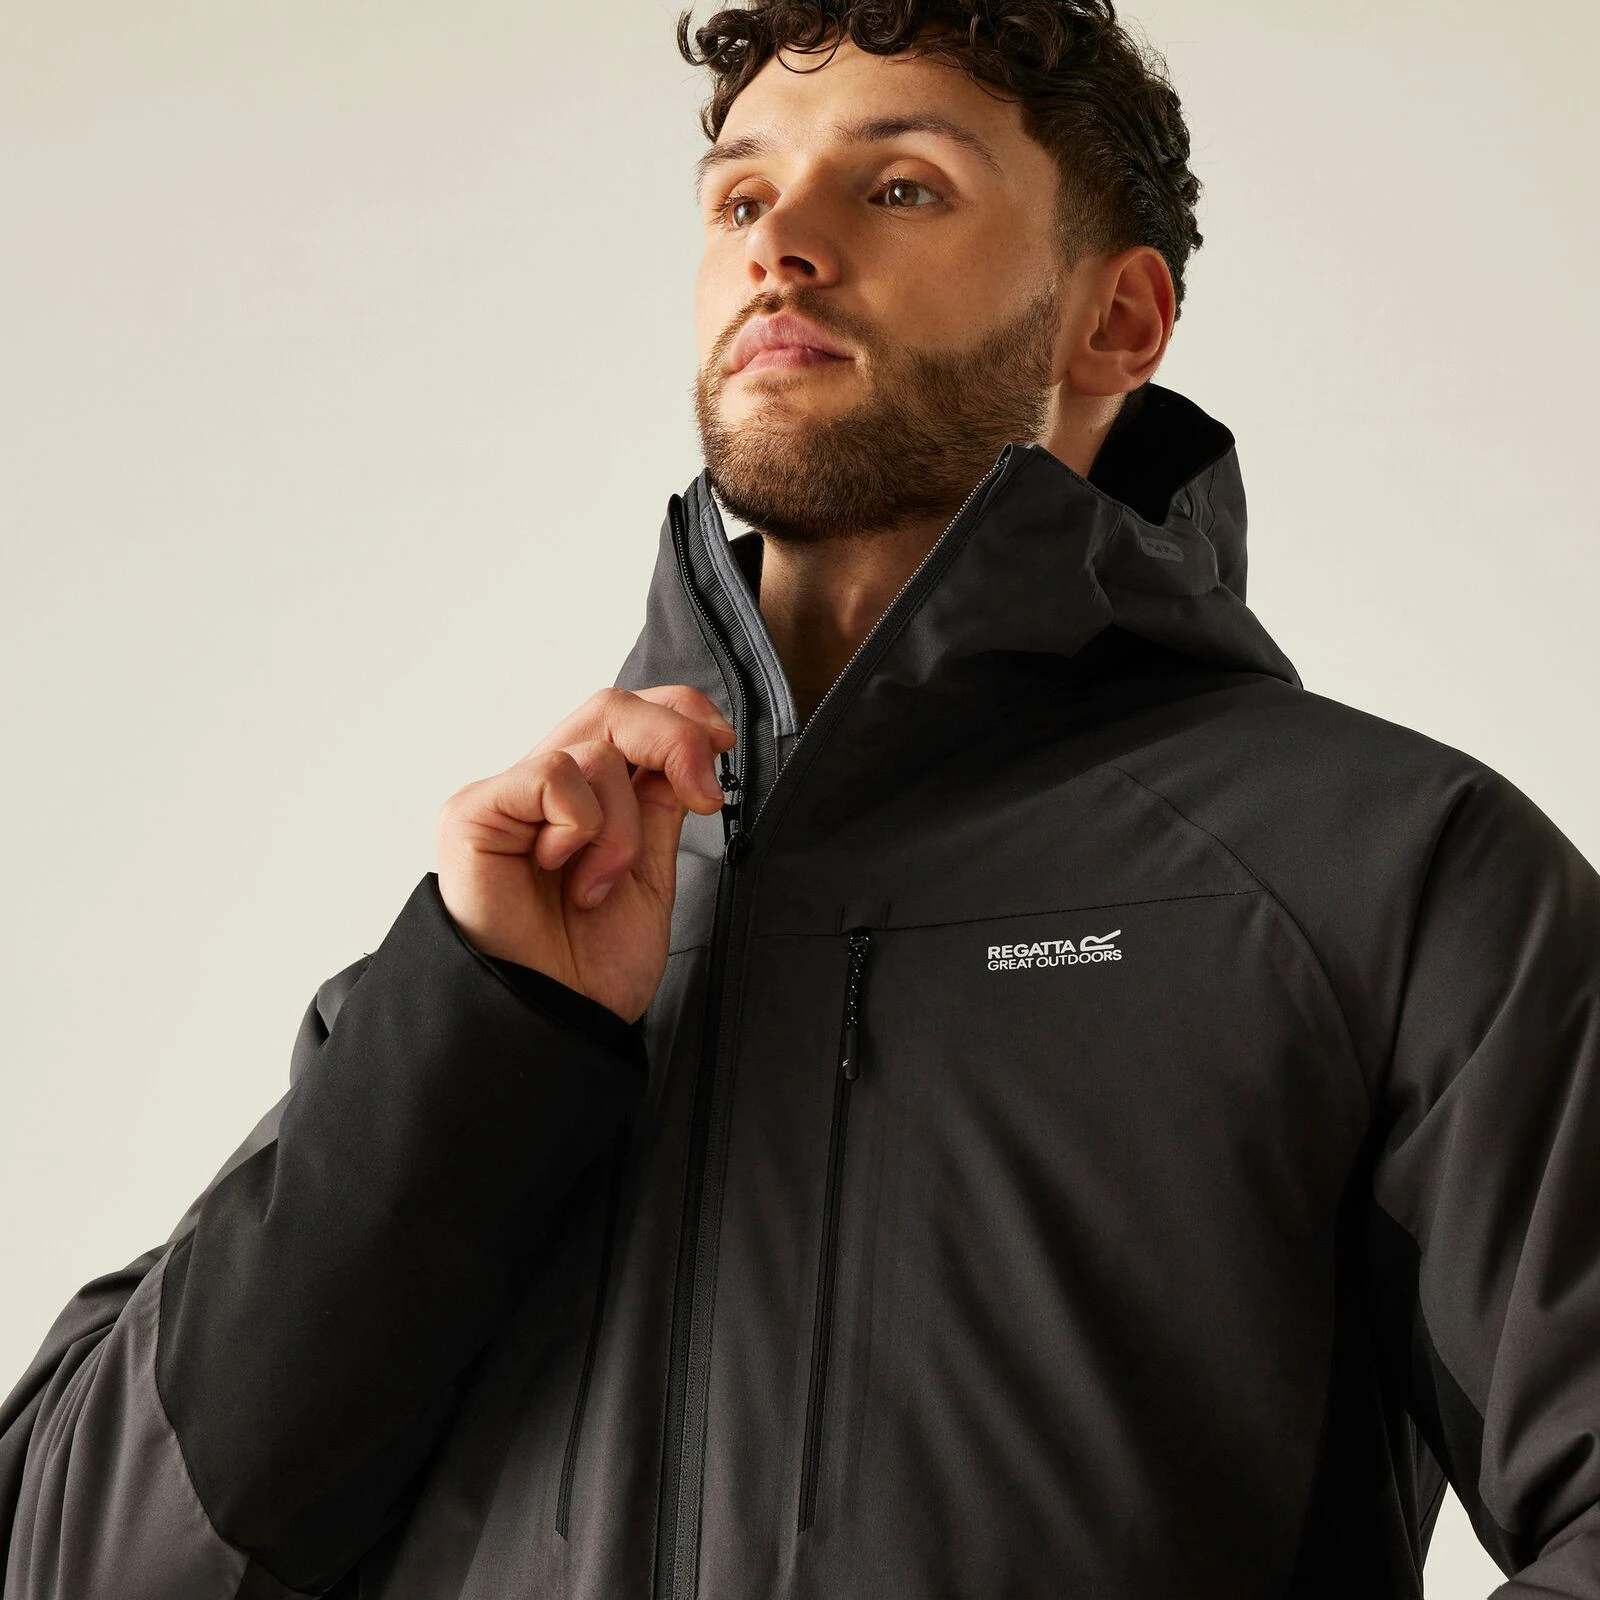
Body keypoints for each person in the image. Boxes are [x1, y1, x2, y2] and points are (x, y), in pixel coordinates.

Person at [3, 1, 1597, 1595]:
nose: (783, 247)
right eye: (742, 199)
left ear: (1118, 320)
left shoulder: (1384, 878)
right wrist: (476, 1039)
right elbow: (65, 1556)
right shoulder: (524, 942)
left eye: (900, 186)